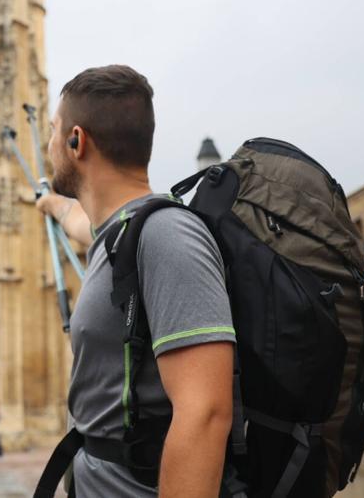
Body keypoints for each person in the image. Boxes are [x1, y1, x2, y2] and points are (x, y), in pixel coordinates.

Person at [36, 65, 235, 498]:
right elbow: (83, 225)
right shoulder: (121, 235)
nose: (46, 144)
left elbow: (205, 412)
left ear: (76, 141)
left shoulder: (165, 235)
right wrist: (51, 204)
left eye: (52, 131)